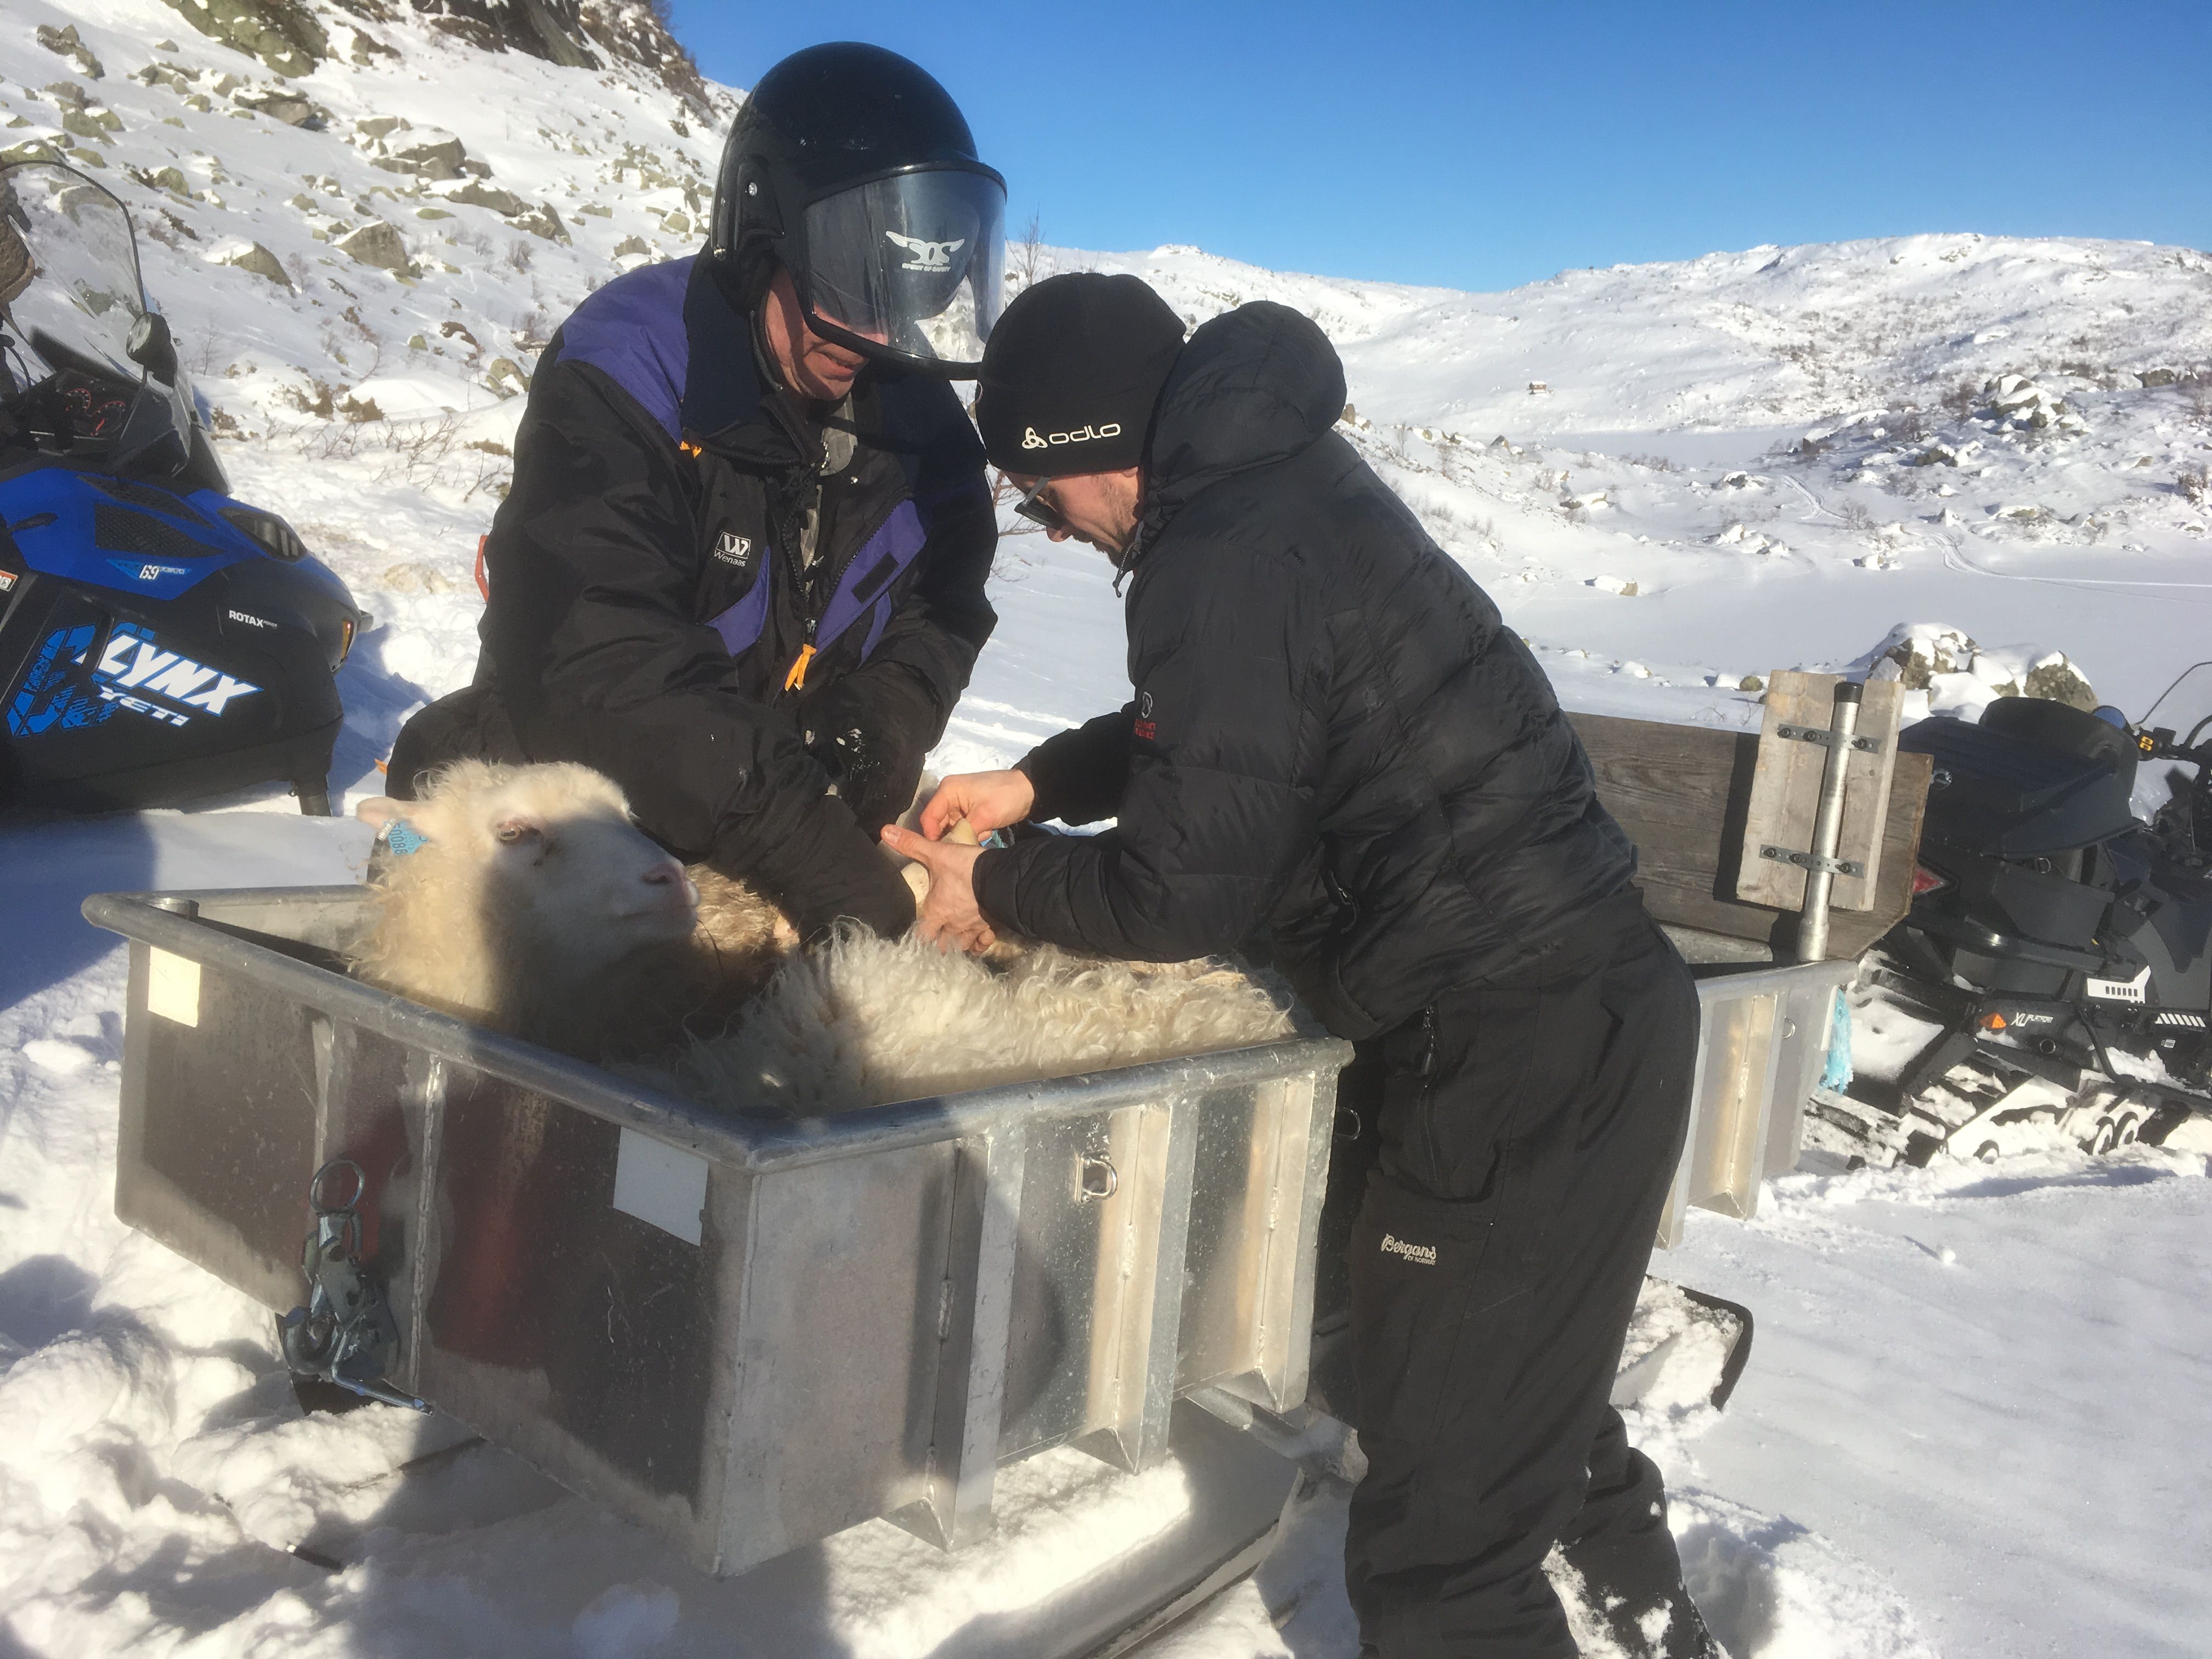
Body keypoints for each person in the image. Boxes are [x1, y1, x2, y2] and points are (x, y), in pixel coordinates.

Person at [885, 273, 1718, 1659]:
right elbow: (1224, 733)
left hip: (1507, 1051)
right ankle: (1654, 1629)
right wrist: (1039, 786)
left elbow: (1175, 892)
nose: (1054, 527)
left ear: (1093, 446)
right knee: (1517, 1411)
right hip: (1570, 1014)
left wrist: (999, 891)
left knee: (1443, 1562)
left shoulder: (1222, 554)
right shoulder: (1272, 489)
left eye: (1041, 498)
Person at [388, 43, 1006, 939]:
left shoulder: (924, 429)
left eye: (899, 302)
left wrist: (885, 718)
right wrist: (810, 845)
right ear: (761, 242)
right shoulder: (634, 365)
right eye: (843, 290)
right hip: (579, 806)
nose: (870, 338)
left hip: (779, 800)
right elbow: (598, 658)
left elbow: (944, 608)